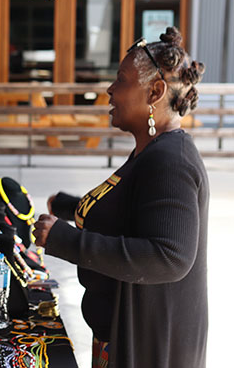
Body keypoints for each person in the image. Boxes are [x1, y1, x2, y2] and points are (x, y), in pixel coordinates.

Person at [33, 27, 208, 368]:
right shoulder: (153, 150)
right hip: (122, 334)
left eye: (122, 80)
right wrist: (73, 207)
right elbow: (132, 212)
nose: (110, 89)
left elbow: (169, 256)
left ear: (155, 91)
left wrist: (66, 241)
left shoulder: (171, 161)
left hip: (147, 348)